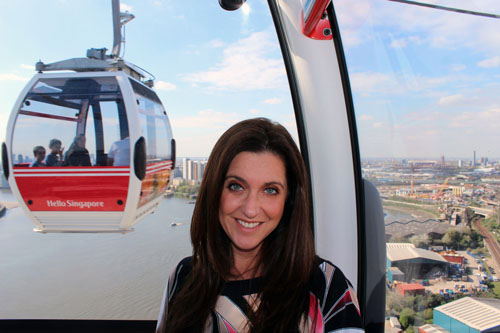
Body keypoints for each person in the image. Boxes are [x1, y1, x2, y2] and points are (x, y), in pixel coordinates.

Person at [156, 118, 363, 332]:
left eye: (270, 190)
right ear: (215, 191)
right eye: (236, 186)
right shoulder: (184, 277)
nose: (251, 209)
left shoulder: (327, 288)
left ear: (289, 201)